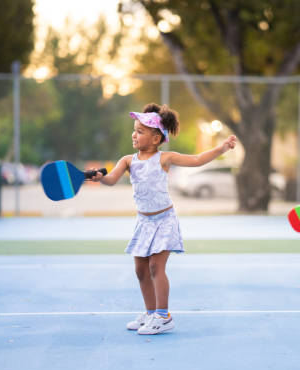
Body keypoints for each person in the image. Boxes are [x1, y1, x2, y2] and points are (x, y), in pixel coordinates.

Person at [88, 103, 237, 334]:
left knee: (157, 267)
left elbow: (197, 159)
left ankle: (164, 316)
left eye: (140, 131)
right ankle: (150, 314)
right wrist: (100, 178)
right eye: (134, 129)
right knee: (140, 270)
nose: (134, 134)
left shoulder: (164, 158)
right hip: (143, 222)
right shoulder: (128, 160)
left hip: (164, 220)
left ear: (156, 138)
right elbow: (112, 179)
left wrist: (223, 147)